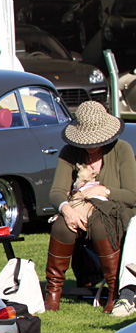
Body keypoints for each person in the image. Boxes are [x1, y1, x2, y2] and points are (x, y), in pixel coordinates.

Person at [44, 100, 136, 314]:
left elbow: (132, 196)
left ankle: (115, 290)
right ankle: (53, 292)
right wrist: (67, 210)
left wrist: (105, 191)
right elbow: (56, 192)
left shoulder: (122, 150)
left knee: (101, 224)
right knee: (61, 227)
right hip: (79, 208)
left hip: (115, 211)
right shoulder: (69, 152)